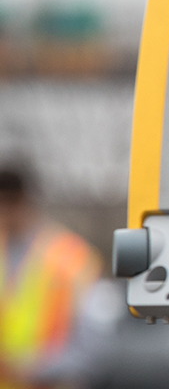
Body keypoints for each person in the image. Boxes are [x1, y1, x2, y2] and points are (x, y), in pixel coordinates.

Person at [0, 166, 101, 389]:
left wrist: (28, 368)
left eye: (9, 204)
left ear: (24, 202)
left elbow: (92, 351)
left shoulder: (71, 258)